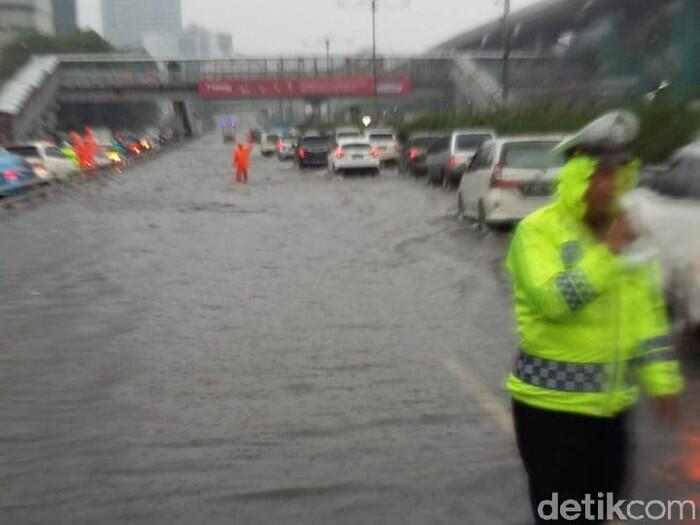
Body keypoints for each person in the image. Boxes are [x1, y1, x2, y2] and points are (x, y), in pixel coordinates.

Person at [505, 111, 684, 524]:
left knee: (604, 507)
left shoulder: (632, 236)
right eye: (599, 174)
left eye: (620, 172)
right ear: (575, 178)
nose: (611, 184)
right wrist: (610, 251)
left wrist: (663, 382)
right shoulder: (537, 232)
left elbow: (647, 318)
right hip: (551, 411)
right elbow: (554, 299)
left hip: (612, 410)